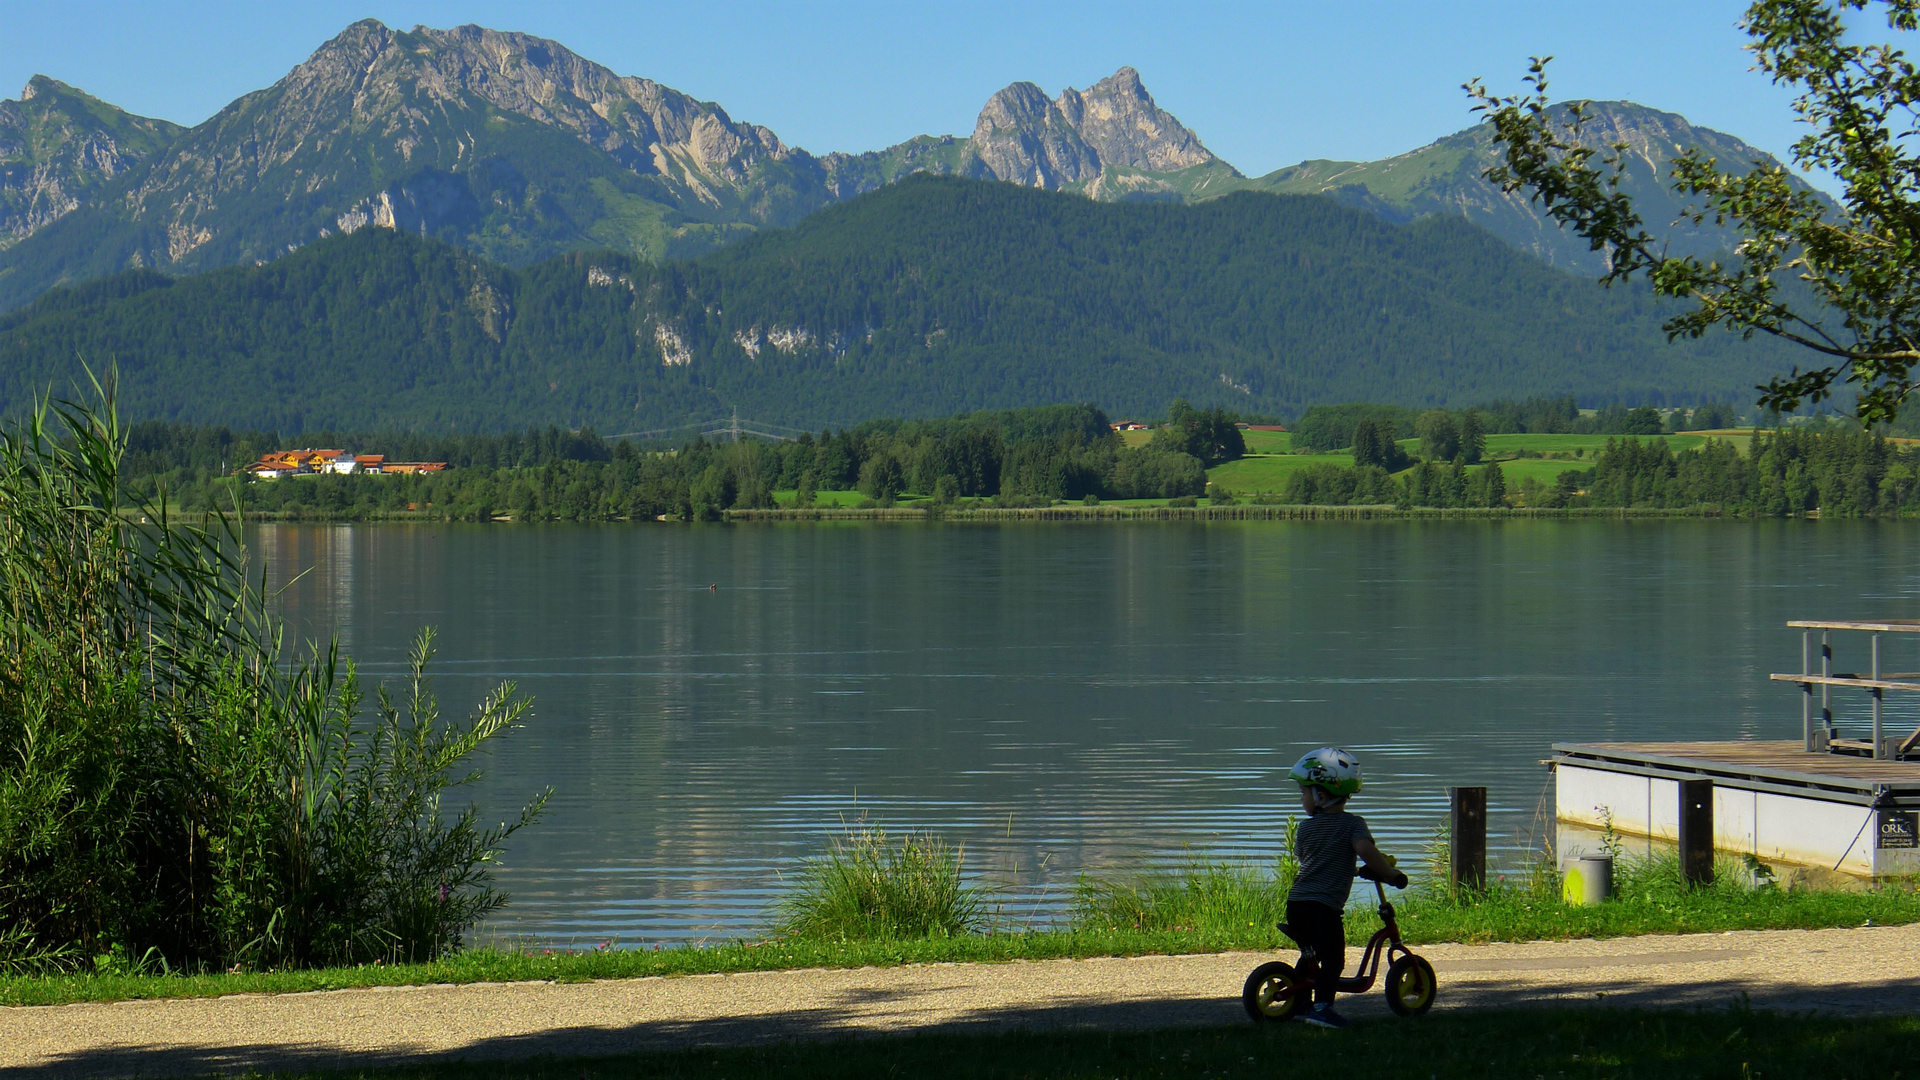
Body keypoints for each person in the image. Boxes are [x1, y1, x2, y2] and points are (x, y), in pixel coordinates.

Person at [1284, 746, 1407, 1030]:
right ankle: (1322, 1008)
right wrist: (1390, 873)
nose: (1301, 799)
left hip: (1298, 903)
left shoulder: (1304, 829)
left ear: (1321, 796)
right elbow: (1365, 849)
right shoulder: (1352, 824)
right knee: (1334, 959)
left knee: (1312, 953)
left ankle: (1301, 1002)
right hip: (1323, 908)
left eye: (1303, 793)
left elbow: (1310, 858)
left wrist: (1348, 867)